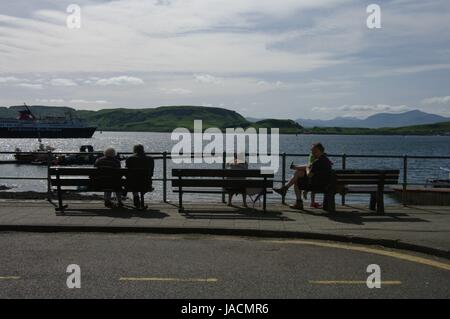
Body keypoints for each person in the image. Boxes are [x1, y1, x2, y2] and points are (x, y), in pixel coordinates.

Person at [274, 143, 333, 210]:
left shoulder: (317, 162)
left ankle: (296, 201)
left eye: (312, 150)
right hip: (325, 184)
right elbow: (312, 168)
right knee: (298, 173)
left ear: (317, 151)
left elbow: (309, 174)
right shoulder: (326, 160)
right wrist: (304, 168)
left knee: (297, 181)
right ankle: (285, 189)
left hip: (317, 185)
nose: (312, 152)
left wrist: (307, 169)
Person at [125, 144, 155, 210]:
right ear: (143, 150)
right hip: (146, 183)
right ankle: (140, 200)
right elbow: (151, 173)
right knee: (140, 182)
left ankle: (136, 197)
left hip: (132, 184)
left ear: (134, 150)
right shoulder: (150, 159)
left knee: (133, 180)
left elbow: (126, 172)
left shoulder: (130, 159)